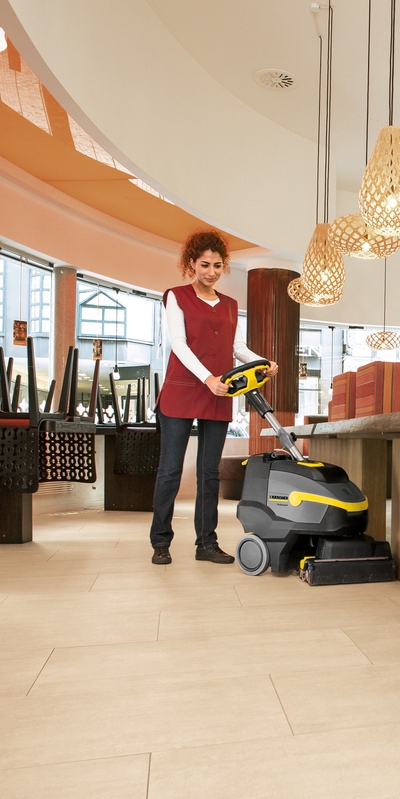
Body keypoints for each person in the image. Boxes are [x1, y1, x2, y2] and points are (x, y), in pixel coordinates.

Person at [150, 229, 275, 565]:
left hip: (218, 392)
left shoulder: (231, 305)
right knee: (170, 470)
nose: (211, 272)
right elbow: (179, 343)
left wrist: (260, 363)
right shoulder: (176, 296)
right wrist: (206, 377)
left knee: (209, 473)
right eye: (204, 264)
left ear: (224, 265)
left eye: (217, 265)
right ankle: (160, 543)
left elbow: (236, 348)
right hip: (183, 390)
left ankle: (206, 544)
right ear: (191, 264)